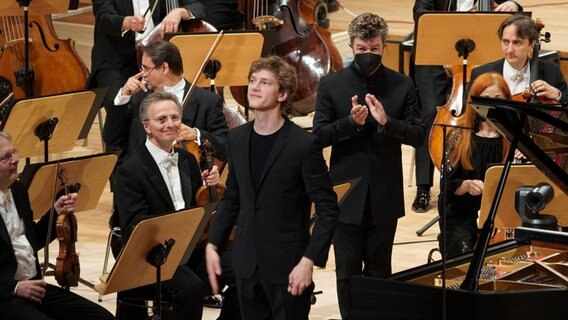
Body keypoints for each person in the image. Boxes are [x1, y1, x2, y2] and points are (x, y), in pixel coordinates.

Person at [206, 56, 339, 320]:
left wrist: (308, 261)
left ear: (282, 94)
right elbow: (232, 198)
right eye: (253, 80)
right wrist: (212, 243)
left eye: (265, 82)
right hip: (247, 264)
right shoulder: (237, 139)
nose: (254, 87)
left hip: (288, 267)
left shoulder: (303, 145)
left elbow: (328, 209)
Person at [312, 12, 425, 319]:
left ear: (384, 47)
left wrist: (388, 122)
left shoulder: (402, 85)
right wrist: (350, 123)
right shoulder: (331, 85)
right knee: (347, 273)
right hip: (345, 195)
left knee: (380, 271)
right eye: (362, 49)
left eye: (374, 49)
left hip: (384, 195)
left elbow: (418, 136)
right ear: (351, 46)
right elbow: (319, 136)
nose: (368, 55)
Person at [113, 91, 220, 320]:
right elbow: (136, 225)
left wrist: (211, 190)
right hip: (153, 254)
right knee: (190, 288)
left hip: (189, 249)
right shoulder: (129, 170)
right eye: (162, 120)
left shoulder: (187, 160)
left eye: (175, 118)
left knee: (246, 268)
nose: (170, 124)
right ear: (146, 126)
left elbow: (197, 211)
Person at [411, 0, 522, 213]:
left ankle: (485, 179)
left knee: (488, 112)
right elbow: (421, 12)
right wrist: (455, 25)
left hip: (478, 57)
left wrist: (513, 5)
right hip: (436, 55)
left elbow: (512, 9)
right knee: (429, 115)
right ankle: (424, 186)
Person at [0, 132, 114, 320]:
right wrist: (14, 287)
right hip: (6, 294)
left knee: (101, 317)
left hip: (34, 287)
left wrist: (55, 213)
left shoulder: (18, 190)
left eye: (14, 152)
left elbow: (33, 240)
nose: (15, 160)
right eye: (5, 157)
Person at [88, 0, 207, 154]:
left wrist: (179, 12)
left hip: (155, 60)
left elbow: (198, 7)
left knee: (178, 108)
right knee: (118, 115)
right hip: (117, 62)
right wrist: (127, 22)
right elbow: (104, 17)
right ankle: (122, 169)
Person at [110, 40, 228, 159]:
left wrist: (197, 134)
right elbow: (112, 138)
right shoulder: (137, 96)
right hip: (141, 173)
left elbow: (224, 146)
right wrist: (123, 97)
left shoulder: (207, 101)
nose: (143, 74)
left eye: (146, 69)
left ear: (164, 68)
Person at [438, 72, 512, 258]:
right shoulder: (459, 136)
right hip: (464, 213)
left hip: (504, 215)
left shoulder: (515, 138)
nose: (492, 104)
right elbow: (446, 187)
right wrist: (465, 186)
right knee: (465, 254)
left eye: (498, 98)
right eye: (485, 99)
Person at [470, 14, 568, 104]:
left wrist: (558, 95)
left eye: (516, 42)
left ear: (531, 45)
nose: (509, 49)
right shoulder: (480, 74)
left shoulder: (551, 71)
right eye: (505, 42)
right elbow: (470, 114)